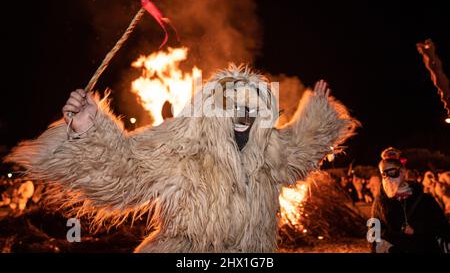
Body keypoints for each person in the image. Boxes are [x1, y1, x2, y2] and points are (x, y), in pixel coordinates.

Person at [5, 65, 358, 253]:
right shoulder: (183, 142)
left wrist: (318, 116)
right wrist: (89, 129)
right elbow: (125, 170)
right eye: (233, 102)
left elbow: (300, 150)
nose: (243, 111)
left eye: (252, 104)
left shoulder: (268, 148)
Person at [371, 147, 450, 253]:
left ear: (403, 172)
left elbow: (442, 229)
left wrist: (416, 230)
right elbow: (373, 231)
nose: (388, 178)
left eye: (392, 172)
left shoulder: (424, 200)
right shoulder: (380, 202)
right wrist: (382, 244)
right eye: (383, 174)